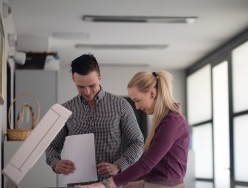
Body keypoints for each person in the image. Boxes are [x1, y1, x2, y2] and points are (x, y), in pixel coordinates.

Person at [76, 71, 190, 188]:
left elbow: (146, 164)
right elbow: (164, 168)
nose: (137, 107)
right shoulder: (166, 121)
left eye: (137, 100)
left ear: (152, 93)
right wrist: (140, 184)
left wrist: (105, 184)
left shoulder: (172, 122)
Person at [45, 54, 144, 186]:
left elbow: (137, 142)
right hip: (77, 185)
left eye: (92, 85)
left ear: (99, 77)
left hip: (108, 185)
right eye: (80, 86)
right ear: (73, 80)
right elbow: (52, 145)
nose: (87, 92)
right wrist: (56, 163)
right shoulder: (65, 110)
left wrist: (118, 166)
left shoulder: (121, 105)